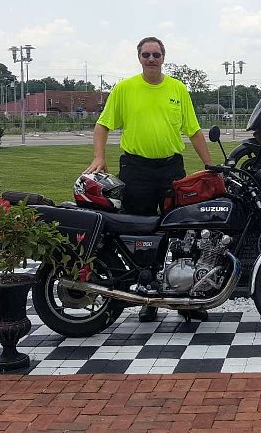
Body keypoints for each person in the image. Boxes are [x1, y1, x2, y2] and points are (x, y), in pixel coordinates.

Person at [86, 36, 213, 323]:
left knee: (182, 234)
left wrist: (209, 165)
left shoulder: (177, 89)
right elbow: (102, 125)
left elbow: (193, 131)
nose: (151, 59)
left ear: (164, 57)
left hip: (171, 171)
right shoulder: (125, 89)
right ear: (139, 57)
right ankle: (148, 296)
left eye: (156, 54)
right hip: (136, 171)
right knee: (141, 237)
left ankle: (185, 299)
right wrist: (98, 157)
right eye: (146, 55)